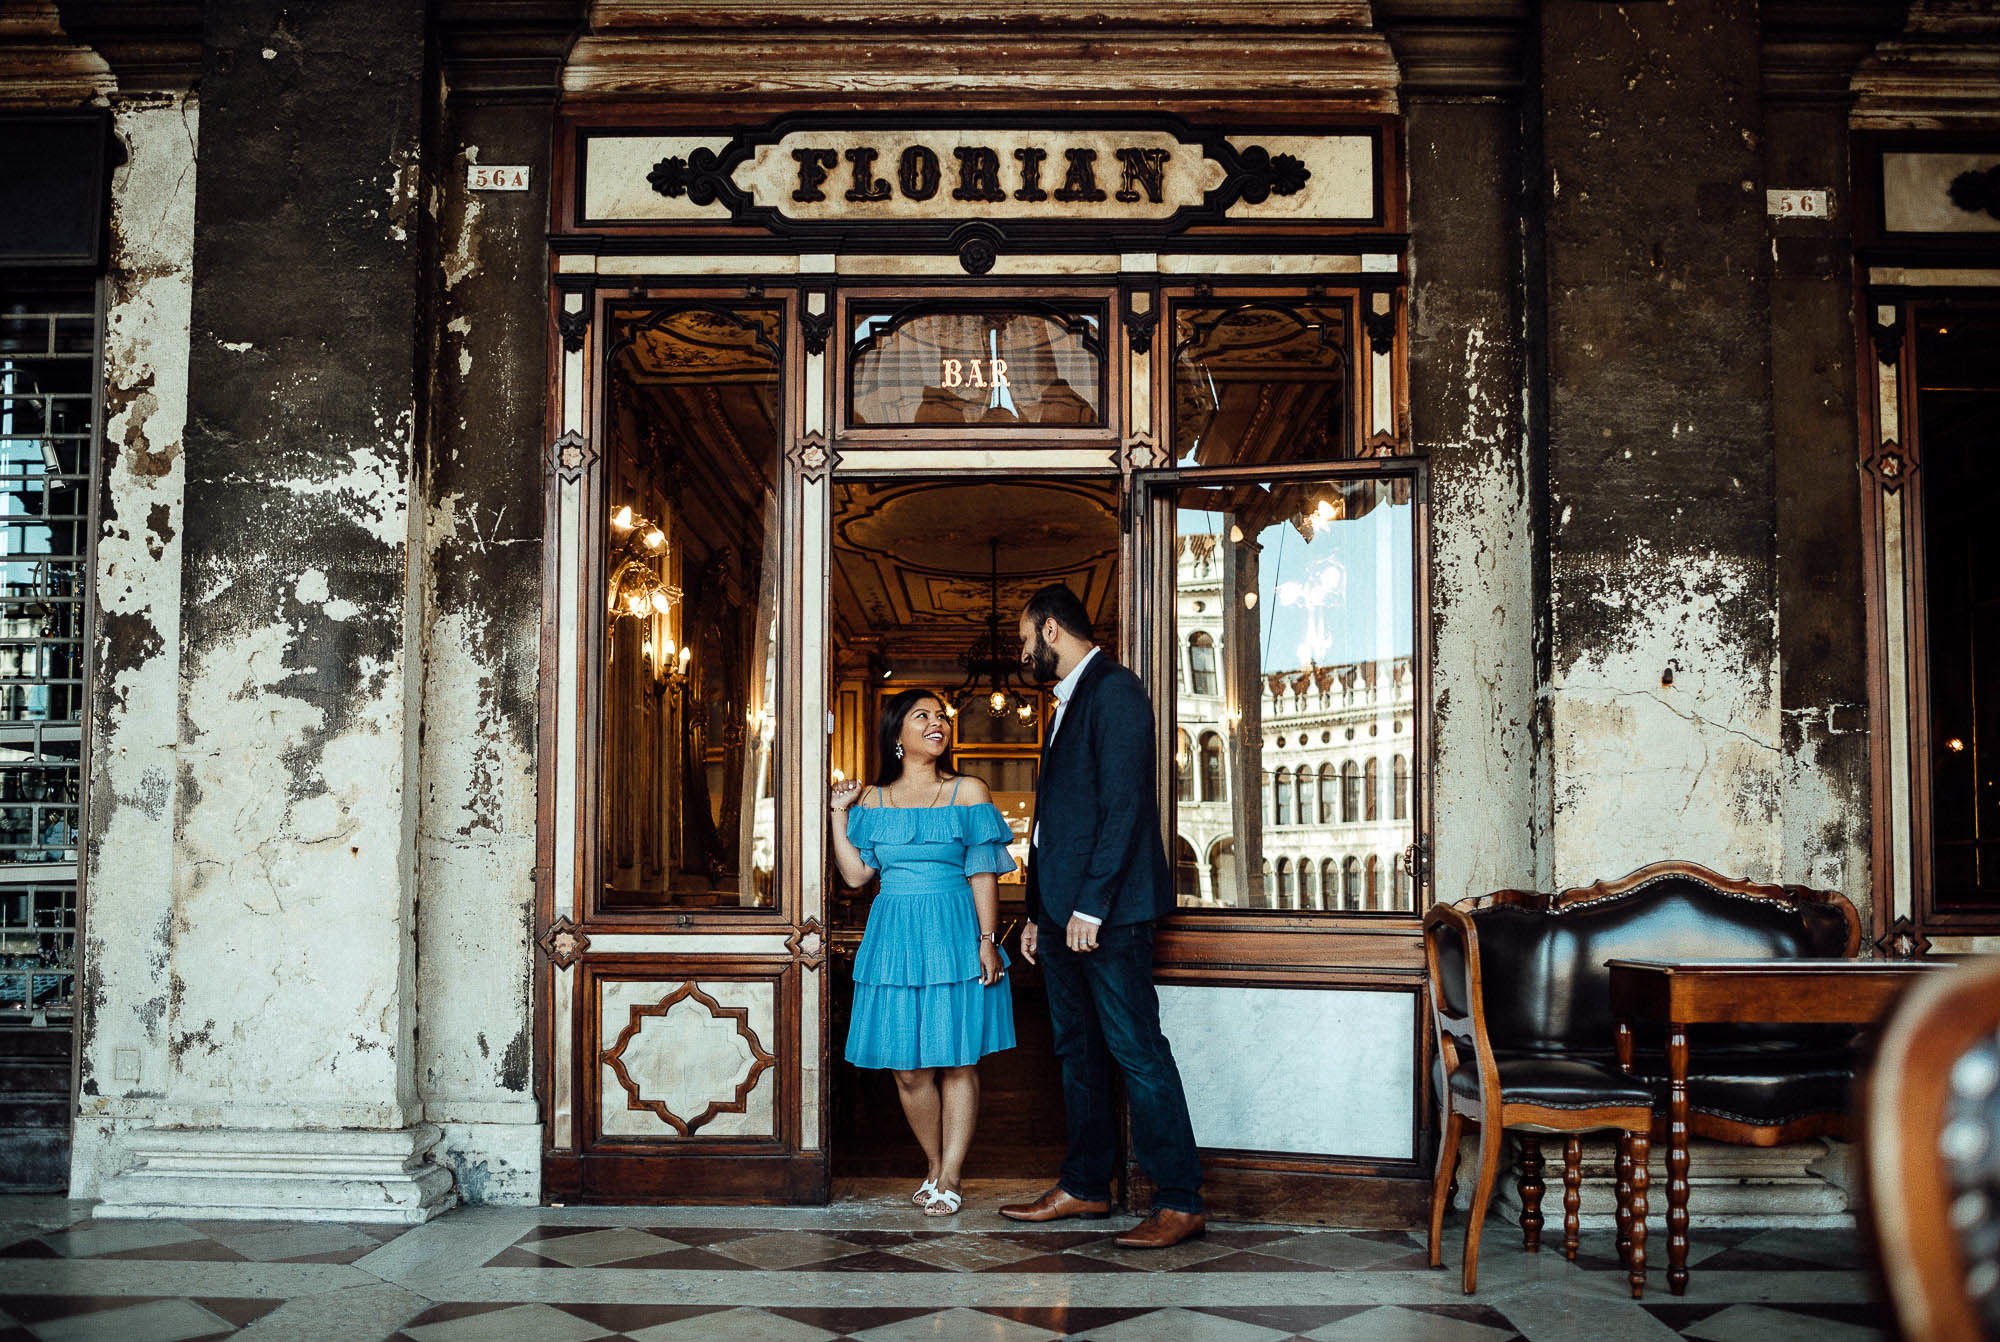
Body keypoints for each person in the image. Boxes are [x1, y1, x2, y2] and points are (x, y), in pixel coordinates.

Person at [1000, 583, 1206, 1248]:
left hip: (1105, 917)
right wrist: (1038, 913)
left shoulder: (1115, 690)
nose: (1023, 652)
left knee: (1137, 1054)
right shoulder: (1065, 702)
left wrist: (1090, 904)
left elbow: (1124, 807)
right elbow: (1058, 826)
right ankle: (1086, 1187)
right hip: (1063, 917)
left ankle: (1179, 1201)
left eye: (1025, 639)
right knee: (1078, 1053)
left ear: (1052, 631)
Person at [830, 688, 1016, 1217]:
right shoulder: (871, 801)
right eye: (923, 716)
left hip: (956, 931)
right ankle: (932, 1162)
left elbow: (983, 872)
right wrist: (838, 816)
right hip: (893, 936)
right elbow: (856, 875)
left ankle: (952, 1174)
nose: (937, 724)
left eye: (942, 717)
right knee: (908, 1068)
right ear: (897, 734)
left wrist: (987, 941)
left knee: (957, 1058)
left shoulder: (969, 791)